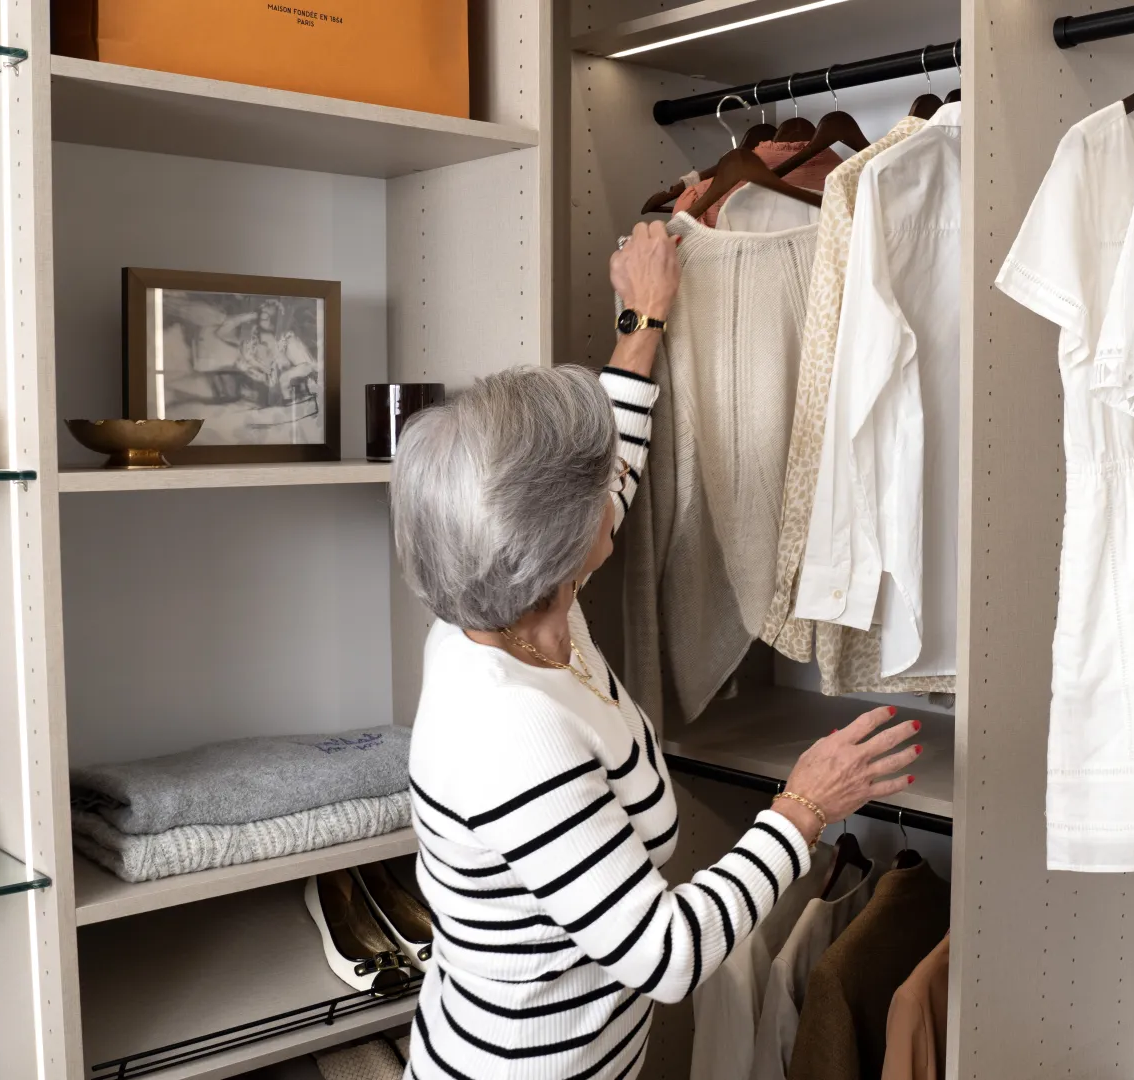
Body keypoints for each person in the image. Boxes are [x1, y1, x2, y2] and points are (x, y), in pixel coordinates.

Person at [389, 220, 921, 1080]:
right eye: (592, 499)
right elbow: (666, 957)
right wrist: (803, 807)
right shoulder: (514, 734)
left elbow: (610, 473)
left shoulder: (499, 609)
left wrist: (645, 318)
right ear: (560, 550)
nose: (613, 492)